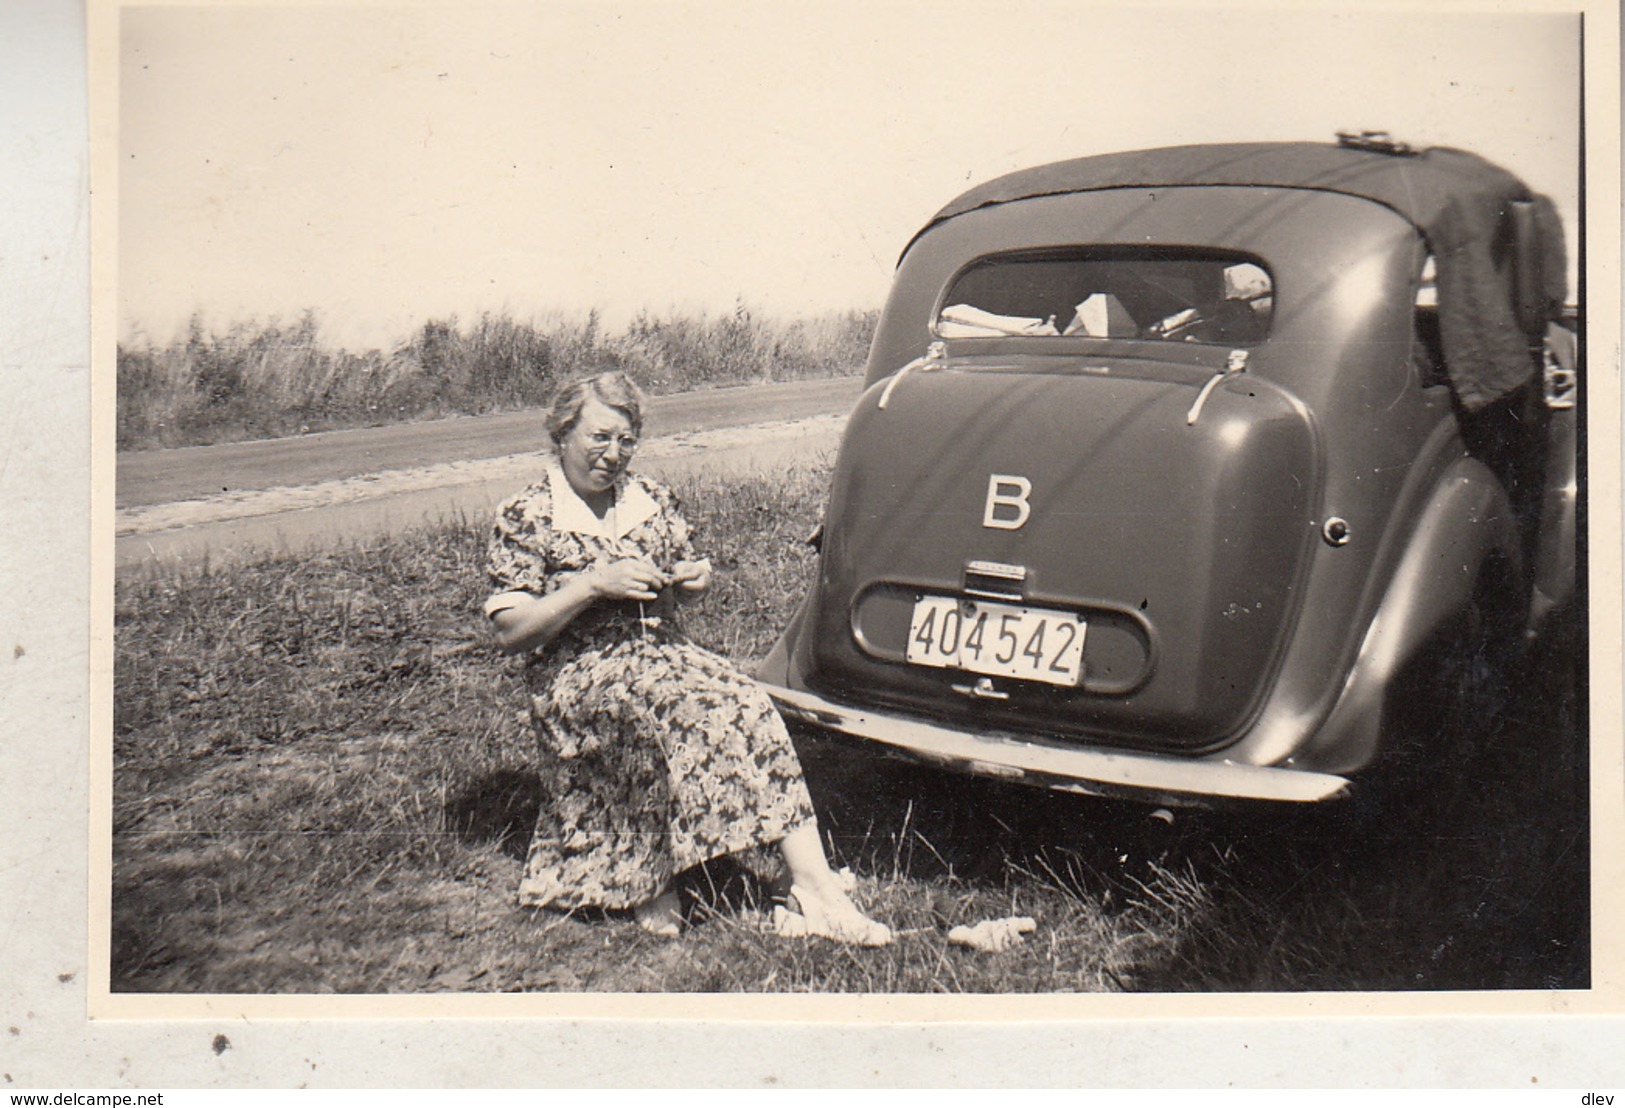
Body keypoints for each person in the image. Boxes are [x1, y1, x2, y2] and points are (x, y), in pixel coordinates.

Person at [482, 371, 891, 945]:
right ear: (563, 432)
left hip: (663, 653)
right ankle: (648, 874)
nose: (612, 454)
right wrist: (593, 584)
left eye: (625, 441)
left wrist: (693, 580)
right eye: (599, 437)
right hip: (577, 669)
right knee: (667, 708)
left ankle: (812, 885)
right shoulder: (528, 515)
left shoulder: (648, 500)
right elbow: (510, 633)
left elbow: (683, 581)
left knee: (747, 702)